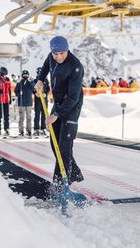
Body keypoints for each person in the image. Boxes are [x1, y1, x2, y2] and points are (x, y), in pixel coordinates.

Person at [35, 36, 84, 186]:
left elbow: (74, 97)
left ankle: (60, 184)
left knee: (64, 146)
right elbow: (45, 67)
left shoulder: (75, 66)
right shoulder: (52, 57)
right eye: (55, 54)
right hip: (58, 103)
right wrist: (40, 79)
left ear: (67, 49)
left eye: (62, 53)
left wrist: (56, 115)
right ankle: (74, 173)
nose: (58, 57)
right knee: (54, 142)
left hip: (71, 107)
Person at [14, 70, 35, 137]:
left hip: (28, 103)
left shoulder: (30, 83)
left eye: (26, 75)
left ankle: (29, 131)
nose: (25, 76)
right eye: (24, 75)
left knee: (29, 117)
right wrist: (19, 94)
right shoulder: (19, 83)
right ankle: (21, 131)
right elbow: (16, 91)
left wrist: (31, 82)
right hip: (22, 103)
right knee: (21, 118)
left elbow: (34, 89)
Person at [33, 67, 50, 137]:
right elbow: (33, 89)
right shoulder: (35, 80)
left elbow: (48, 89)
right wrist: (35, 93)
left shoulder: (45, 80)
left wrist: (46, 93)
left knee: (44, 114)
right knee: (37, 114)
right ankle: (36, 128)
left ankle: (43, 128)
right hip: (38, 99)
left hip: (44, 98)